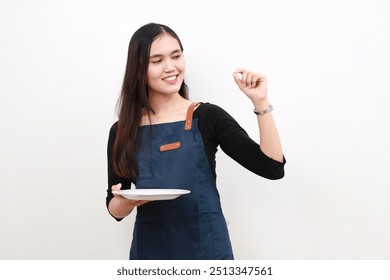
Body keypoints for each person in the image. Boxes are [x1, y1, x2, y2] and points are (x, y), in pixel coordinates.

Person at [106, 22, 286, 260]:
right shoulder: (123, 130)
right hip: (150, 253)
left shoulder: (207, 117)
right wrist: (126, 202)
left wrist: (261, 104)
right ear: (139, 69)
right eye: (157, 60)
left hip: (207, 250)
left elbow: (272, 168)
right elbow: (114, 209)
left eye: (176, 56)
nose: (170, 67)